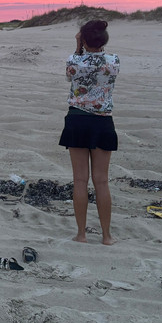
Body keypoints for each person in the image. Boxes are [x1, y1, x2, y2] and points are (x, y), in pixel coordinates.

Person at [58, 19, 119, 244]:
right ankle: (106, 235)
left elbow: (69, 76)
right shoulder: (113, 61)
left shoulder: (74, 60)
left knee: (80, 180)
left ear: (83, 40)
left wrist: (78, 48)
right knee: (101, 181)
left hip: (77, 119)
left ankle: (81, 234)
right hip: (102, 121)